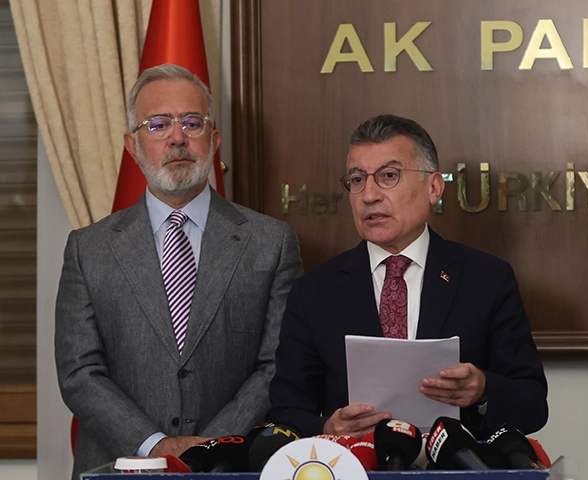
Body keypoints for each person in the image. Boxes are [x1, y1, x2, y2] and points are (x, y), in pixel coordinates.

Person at [55, 64, 303, 478]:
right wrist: (156, 445)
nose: (177, 137)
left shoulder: (272, 242)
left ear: (214, 139)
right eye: (158, 125)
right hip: (119, 465)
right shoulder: (88, 249)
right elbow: (79, 372)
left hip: (231, 466)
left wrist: (208, 448)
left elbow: (278, 363)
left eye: (192, 122)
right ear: (132, 145)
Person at [268, 114, 547, 440]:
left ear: (433, 187)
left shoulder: (487, 279)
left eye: (388, 176)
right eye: (357, 180)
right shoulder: (314, 292)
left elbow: (532, 404)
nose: (369, 195)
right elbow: (285, 412)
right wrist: (327, 429)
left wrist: (483, 390)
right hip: (356, 463)